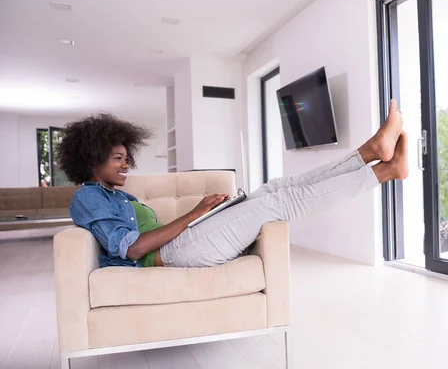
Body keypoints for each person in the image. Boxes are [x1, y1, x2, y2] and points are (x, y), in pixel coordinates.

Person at [57, 100, 408, 268]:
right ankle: (384, 171)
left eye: (125, 156)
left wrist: (205, 214)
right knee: (273, 205)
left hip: (183, 242)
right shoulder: (87, 198)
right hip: (170, 255)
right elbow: (132, 249)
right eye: (118, 159)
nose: (126, 164)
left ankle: (371, 151)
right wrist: (195, 213)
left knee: (274, 189)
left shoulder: (116, 195)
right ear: (92, 159)